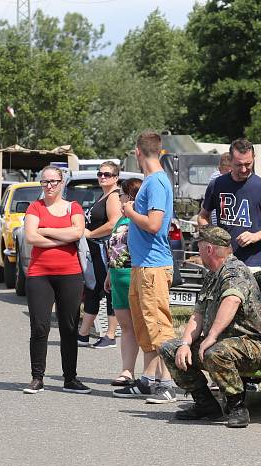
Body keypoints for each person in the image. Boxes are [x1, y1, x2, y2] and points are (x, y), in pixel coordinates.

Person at [159, 226, 261, 428]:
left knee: (214, 351)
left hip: (249, 346)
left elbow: (232, 300)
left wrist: (211, 337)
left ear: (208, 249)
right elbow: (198, 313)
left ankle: (237, 407)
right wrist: (185, 343)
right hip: (220, 344)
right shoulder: (212, 275)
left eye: (199, 248)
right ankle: (206, 405)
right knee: (169, 349)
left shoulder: (235, 271)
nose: (198, 252)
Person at [113, 131, 178, 404]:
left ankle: (169, 384)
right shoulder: (152, 181)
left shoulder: (157, 183)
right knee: (144, 328)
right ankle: (148, 379)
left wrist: (129, 211)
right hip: (141, 266)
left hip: (154, 266)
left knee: (159, 327)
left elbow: (153, 223)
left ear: (138, 152)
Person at [21, 166, 89, 395]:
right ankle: (37, 378)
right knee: (39, 327)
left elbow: (78, 233)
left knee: (69, 327)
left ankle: (70, 378)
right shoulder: (35, 207)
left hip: (70, 273)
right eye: (44, 182)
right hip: (40, 274)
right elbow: (31, 237)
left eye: (53, 181)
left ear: (62, 183)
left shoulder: (74, 207)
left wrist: (46, 231)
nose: (49, 186)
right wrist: (61, 238)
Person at [198, 138, 261, 273]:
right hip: (222, 262)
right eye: (239, 165)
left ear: (254, 158)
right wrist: (211, 238)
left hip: (253, 263)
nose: (244, 169)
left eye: (248, 164)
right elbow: (203, 216)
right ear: (230, 160)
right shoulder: (217, 185)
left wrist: (257, 236)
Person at [77, 161, 122, 349]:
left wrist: (91, 234)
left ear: (116, 178)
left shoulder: (113, 196)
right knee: (93, 289)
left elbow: (114, 223)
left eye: (107, 174)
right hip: (94, 251)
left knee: (109, 289)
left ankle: (110, 335)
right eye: (100, 174)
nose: (103, 177)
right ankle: (83, 333)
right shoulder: (103, 196)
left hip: (106, 250)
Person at [103, 178, 143, 386]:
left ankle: (153, 374)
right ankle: (127, 371)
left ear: (130, 196)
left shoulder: (138, 219)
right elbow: (115, 248)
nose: (119, 199)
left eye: (122, 195)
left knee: (143, 327)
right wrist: (110, 273)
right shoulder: (121, 219)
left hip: (134, 275)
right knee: (126, 327)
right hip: (118, 276)